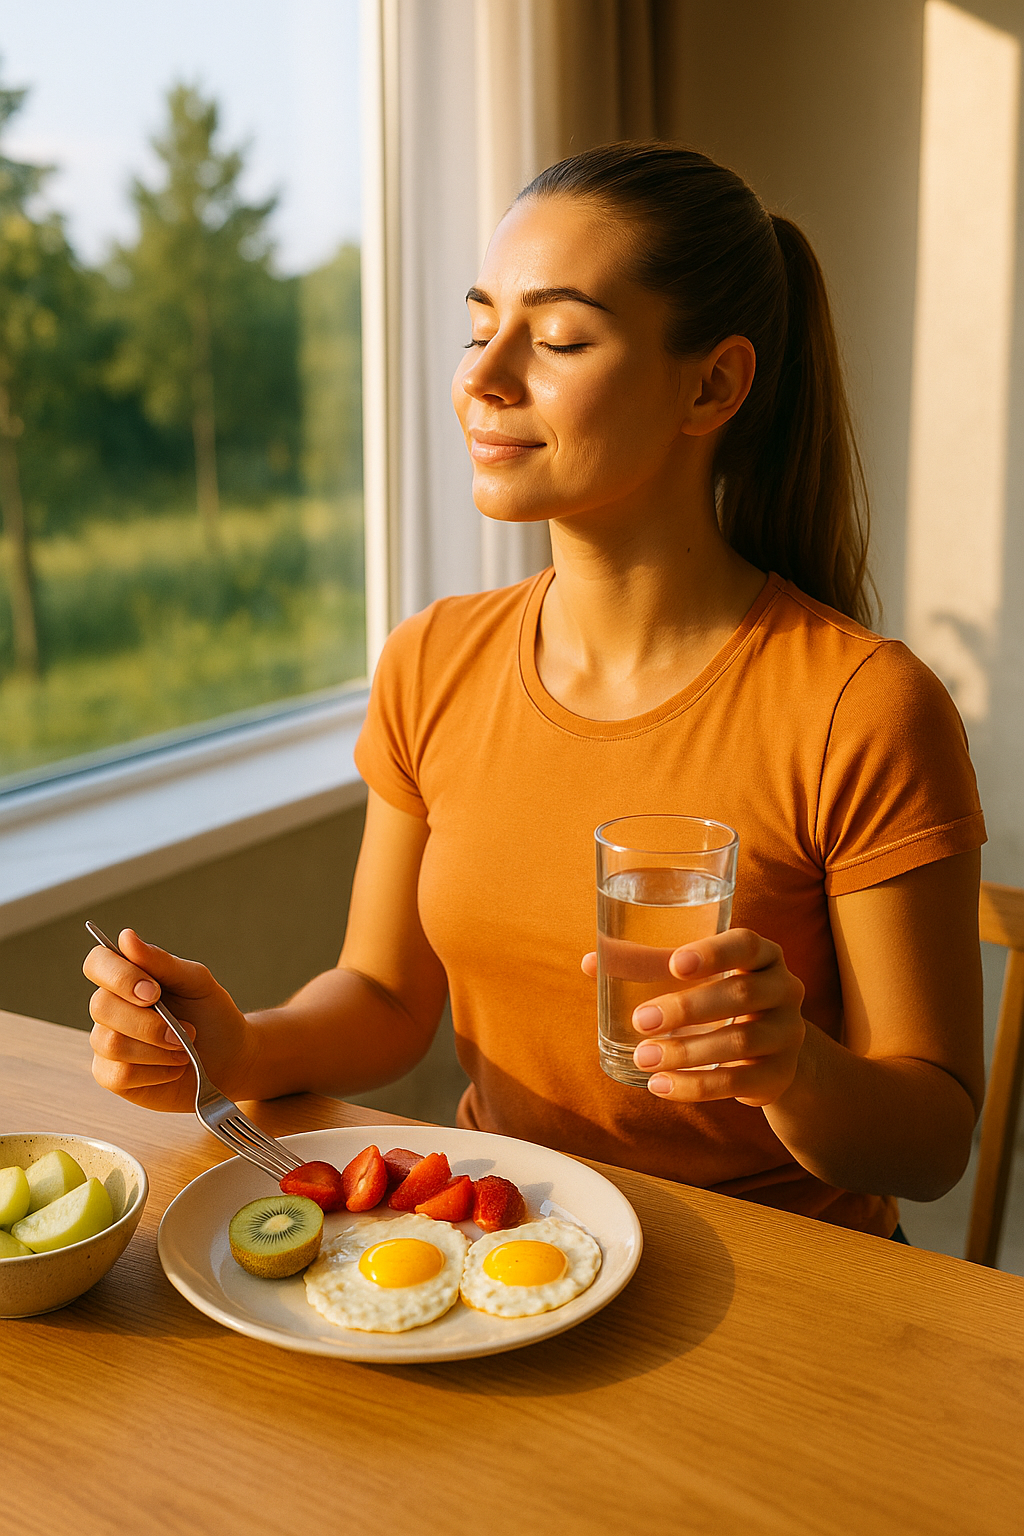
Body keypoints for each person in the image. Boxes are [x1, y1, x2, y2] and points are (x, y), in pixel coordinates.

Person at [85, 143, 986, 1238]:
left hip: (785, 1295)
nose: (481, 374)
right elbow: (382, 996)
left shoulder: (861, 706)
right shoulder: (432, 660)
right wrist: (239, 1046)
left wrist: (791, 1069)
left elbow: (933, 1141)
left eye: (557, 337)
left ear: (713, 384)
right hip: (502, 1254)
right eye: (479, 327)